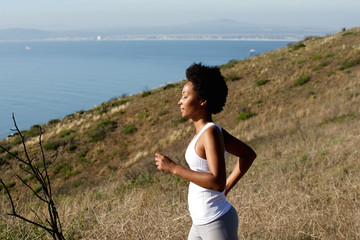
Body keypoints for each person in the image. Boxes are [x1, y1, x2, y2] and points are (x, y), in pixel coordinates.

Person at [154, 63, 257, 240]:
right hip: (200, 222)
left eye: (185, 96)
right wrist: (225, 188)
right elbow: (247, 155)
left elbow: (217, 181)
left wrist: (173, 168)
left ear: (202, 101)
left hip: (216, 222)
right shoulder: (208, 131)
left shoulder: (211, 132)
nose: (180, 101)